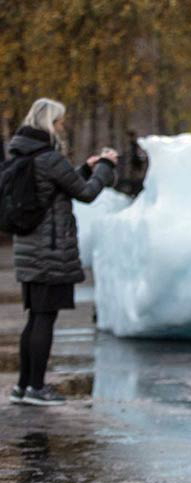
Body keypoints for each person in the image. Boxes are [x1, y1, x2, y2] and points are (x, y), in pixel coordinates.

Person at [7, 98, 117, 406]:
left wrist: (84, 168)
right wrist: (106, 167)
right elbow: (86, 193)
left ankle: (23, 386)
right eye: (59, 122)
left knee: (35, 318)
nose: (63, 127)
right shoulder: (49, 158)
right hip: (51, 250)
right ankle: (37, 389)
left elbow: (61, 186)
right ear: (48, 124)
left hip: (29, 249)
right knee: (45, 319)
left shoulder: (25, 155)